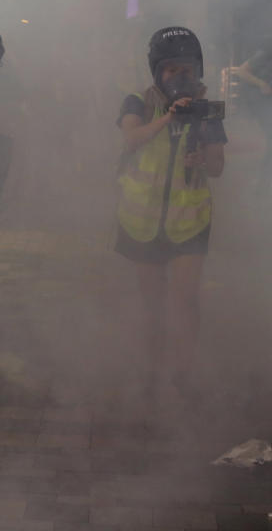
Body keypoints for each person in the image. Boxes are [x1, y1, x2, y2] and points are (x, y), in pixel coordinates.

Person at [115, 26, 226, 406]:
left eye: (188, 69)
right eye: (171, 70)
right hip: (141, 222)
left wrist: (203, 157)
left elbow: (217, 167)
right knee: (152, 303)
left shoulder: (208, 109)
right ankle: (148, 372)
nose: (180, 78)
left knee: (185, 299)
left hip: (189, 221)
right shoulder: (139, 102)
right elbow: (131, 138)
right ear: (157, 72)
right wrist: (169, 116)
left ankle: (182, 374)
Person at [233, 38, 272, 193]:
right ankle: (262, 184)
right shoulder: (268, 51)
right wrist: (262, 84)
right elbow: (241, 71)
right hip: (263, 103)